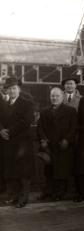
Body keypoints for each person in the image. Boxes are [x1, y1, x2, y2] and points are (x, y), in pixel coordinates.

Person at [0, 76, 35, 208]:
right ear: (7, 91)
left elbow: (26, 121)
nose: (12, 91)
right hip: (8, 142)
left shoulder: (27, 103)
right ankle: (14, 196)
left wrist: (8, 131)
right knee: (11, 170)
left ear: (19, 89)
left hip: (22, 143)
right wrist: (1, 130)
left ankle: (23, 197)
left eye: (14, 88)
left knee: (23, 171)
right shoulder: (4, 104)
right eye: (10, 89)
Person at [37, 87, 77, 201]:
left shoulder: (70, 111)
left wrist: (67, 140)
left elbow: (73, 128)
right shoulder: (44, 112)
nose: (54, 98)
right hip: (49, 146)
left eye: (57, 96)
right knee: (49, 171)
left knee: (62, 171)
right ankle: (49, 192)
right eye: (52, 96)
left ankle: (60, 193)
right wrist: (43, 140)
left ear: (62, 97)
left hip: (63, 146)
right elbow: (40, 128)